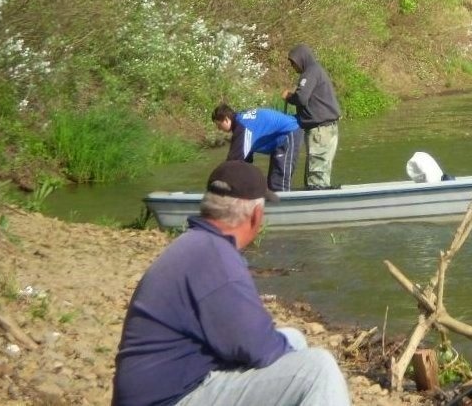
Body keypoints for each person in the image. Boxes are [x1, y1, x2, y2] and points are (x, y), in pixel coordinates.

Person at [112, 160, 350, 406]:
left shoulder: (196, 244)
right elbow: (260, 347)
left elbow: (242, 338)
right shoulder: (217, 260)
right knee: (318, 370)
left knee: (295, 340)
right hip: (172, 398)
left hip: (166, 386)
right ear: (256, 215)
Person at [282, 44, 341, 189]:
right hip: (327, 129)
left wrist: (289, 97)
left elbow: (301, 98)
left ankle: (316, 204)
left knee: (316, 177)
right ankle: (322, 198)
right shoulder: (316, 70)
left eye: (292, 62)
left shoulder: (310, 72)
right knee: (320, 172)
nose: (292, 66)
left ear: (301, 59)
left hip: (320, 132)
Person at [211, 103, 301, 192]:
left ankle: (283, 204)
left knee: (278, 182)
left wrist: (221, 182)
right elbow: (245, 160)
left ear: (226, 119)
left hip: (288, 132)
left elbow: (234, 160)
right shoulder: (241, 121)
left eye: (218, 125)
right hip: (278, 137)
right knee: (272, 182)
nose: (219, 129)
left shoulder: (242, 126)